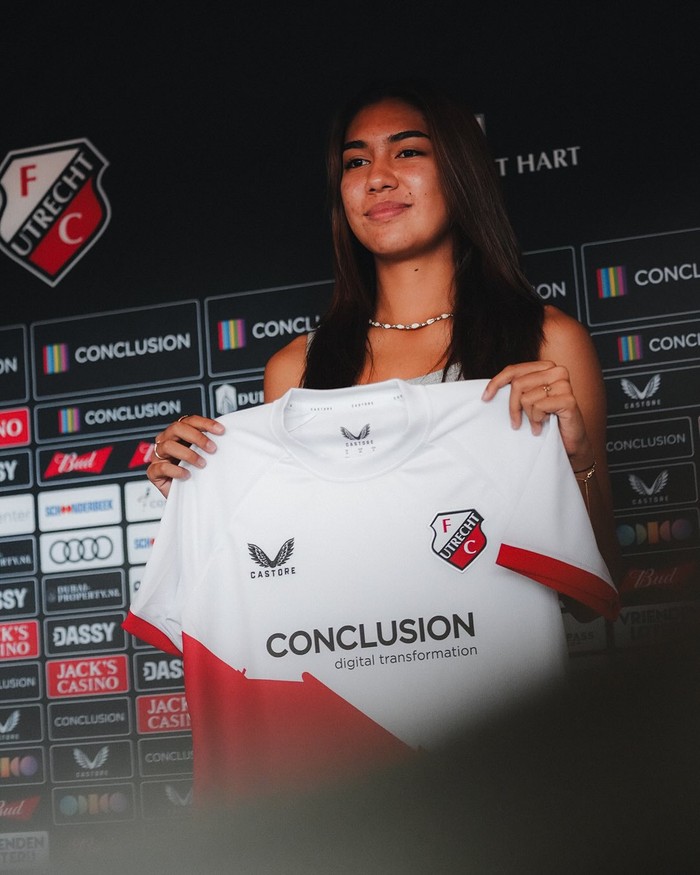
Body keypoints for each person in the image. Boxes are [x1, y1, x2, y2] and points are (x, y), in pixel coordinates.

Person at [147, 78, 620, 587]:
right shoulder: (295, 370)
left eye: (408, 152)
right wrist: (198, 501)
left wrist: (578, 463)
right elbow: (293, 570)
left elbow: (598, 586)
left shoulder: (548, 341)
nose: (377, 178)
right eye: (356, 162)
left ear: (461, 170)